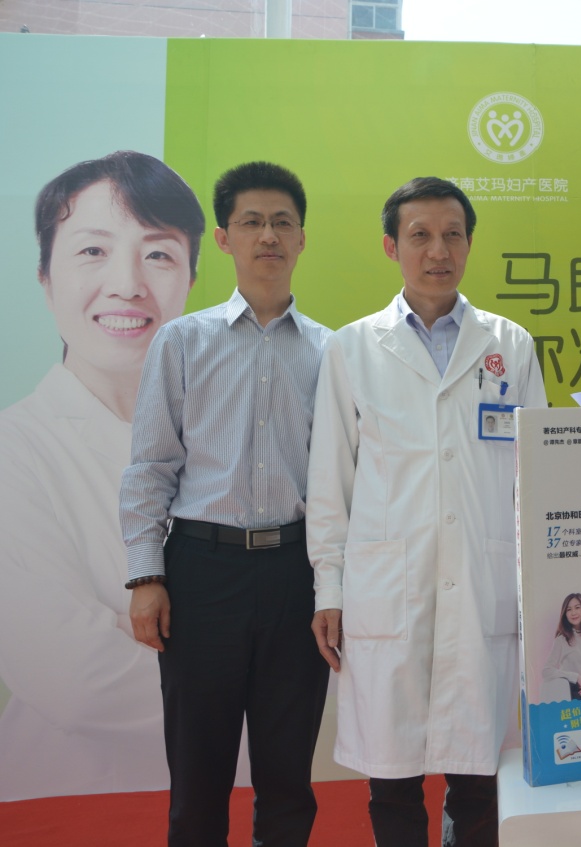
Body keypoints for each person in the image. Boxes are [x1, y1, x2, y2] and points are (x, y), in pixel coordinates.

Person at [306, 176, 547, 847]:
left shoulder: (511, 345)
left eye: (452, 235)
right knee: (392, 779)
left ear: (469, 244)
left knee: (481, 777)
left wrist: (539, 588)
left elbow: (537, 477)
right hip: (388, 588)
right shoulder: (353, 347)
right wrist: (329, 589)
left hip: (484, 583)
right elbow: (330, 484)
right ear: (392, 246)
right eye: (420, 235)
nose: (437, 250)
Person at [120, 161, 332, 845]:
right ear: (222, 237)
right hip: (201, 574)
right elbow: (151, 466)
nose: (268, 235)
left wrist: (335, 583)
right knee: (198, 777)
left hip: (296, 574)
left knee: (288, 777)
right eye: (252, 222)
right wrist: (146, 575)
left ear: (301, 238)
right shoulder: (183, 340)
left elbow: (342, 481)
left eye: (282, 222)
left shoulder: (332, 352)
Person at [0, 151, 204, 802]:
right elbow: (76, 679)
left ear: (191, 278)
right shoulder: (13, 451)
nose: (127, 284)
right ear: (44, 277)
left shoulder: (233, 440)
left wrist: (127, 628)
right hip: (73, 798)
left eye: (159, 254)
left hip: (237, 797)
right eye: (93, 251)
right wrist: (240, 665)